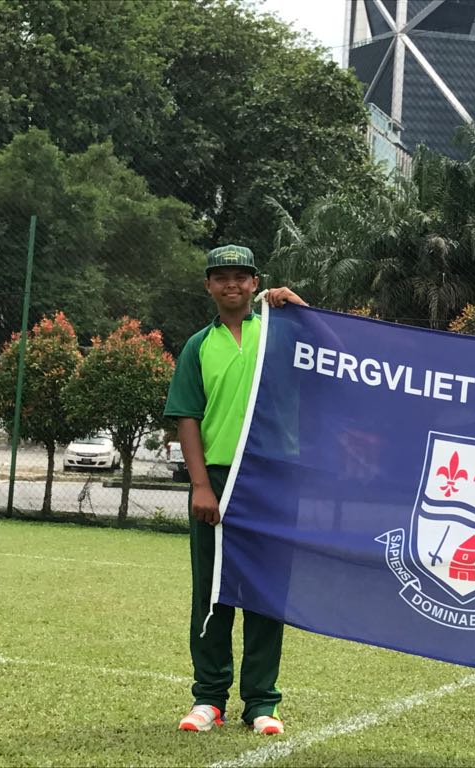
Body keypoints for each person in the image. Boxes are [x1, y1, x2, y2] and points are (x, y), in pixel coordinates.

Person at [164, 244, 306, 735]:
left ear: (255, 284)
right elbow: (187, 417)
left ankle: (262, 702)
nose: (231, 284)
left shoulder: (279, 335)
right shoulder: (198, 345)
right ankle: (209, 698)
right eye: (221, 277)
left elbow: (332, 358)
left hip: (273, 478)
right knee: (212, 593)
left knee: (267, 594)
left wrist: (301, 311)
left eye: (241, 276)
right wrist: (200, 485)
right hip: (219, 481)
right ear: (208, 286)